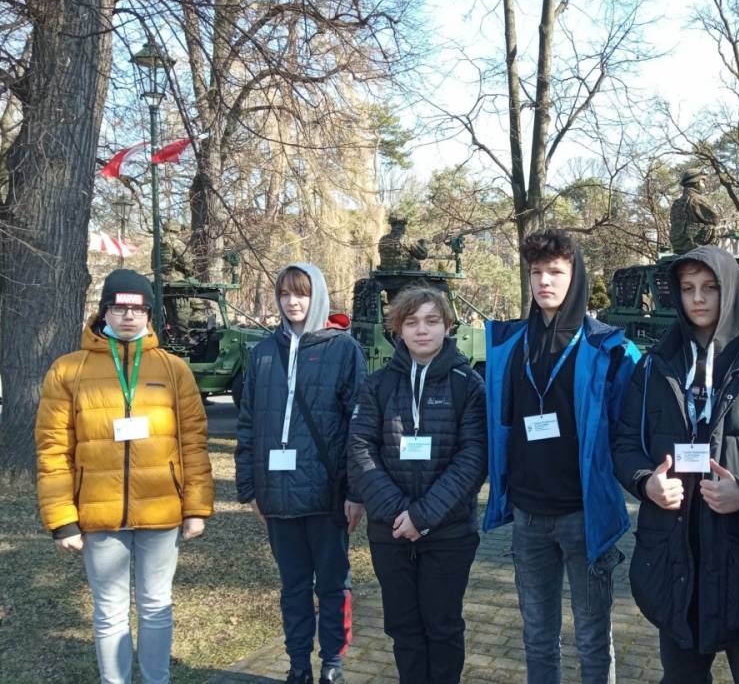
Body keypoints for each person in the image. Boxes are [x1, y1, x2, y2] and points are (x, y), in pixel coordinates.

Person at [611, 246, 739, 684]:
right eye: (688, 288)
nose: (697, 298)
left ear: (729, 289)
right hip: (675, 554)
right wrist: (645, 482)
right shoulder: (654, 366)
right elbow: (625, 443)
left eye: (710, 288)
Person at [35, 268, 214, 684]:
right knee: (109, 611)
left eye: (137, 309)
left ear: (150, 314)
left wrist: (196, 508)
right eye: (119, 308)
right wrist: (62, 519)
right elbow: (53, 449)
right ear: (104, 312)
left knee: (156, 606)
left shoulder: (174, 370)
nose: (128, 316)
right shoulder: (68, 370)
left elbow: (193, 442)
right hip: (99, 515)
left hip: (161, 512)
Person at [482, 228, 640, 684]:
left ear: (576, 276)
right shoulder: (509, 344)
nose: (544, 281)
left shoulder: (609, 348)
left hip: (583, 516)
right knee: (537, 635)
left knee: (592, 636)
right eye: (536, 273)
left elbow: (627, 434)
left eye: (555, 271)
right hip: (528, 514)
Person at [235, 264, 367, 684]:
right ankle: (297, 663)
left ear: (318, 296)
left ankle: (332, 662)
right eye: (285, 294)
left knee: (332, 583)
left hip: (327, 493)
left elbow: (359, 425)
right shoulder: (262, 353)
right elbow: (248, 422)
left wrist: (356, 491)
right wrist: (249, 488)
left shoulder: (343, 349)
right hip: (277, 494)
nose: (293, 302)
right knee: (293, 587)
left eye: (302, 294)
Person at [348, 286, 487, 684]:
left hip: (448, 532)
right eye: (411, 322)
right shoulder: (377, 384)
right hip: (390, 531)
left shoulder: (468, 385)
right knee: (404, 628)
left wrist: (422, 516)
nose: (421, 330)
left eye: (431, 321)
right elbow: (360, 448)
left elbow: (473, 458)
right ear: (398, 329)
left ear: (447, 326)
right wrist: (399, 513)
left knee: (443, 628)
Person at [669, 169, 721, 254]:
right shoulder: (697, 199)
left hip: (678, 247)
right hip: (695, 246)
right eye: (702, 181)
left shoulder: (676, 203)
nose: (704, 184)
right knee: (713, 227)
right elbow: (716, 219)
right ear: (696, 182)